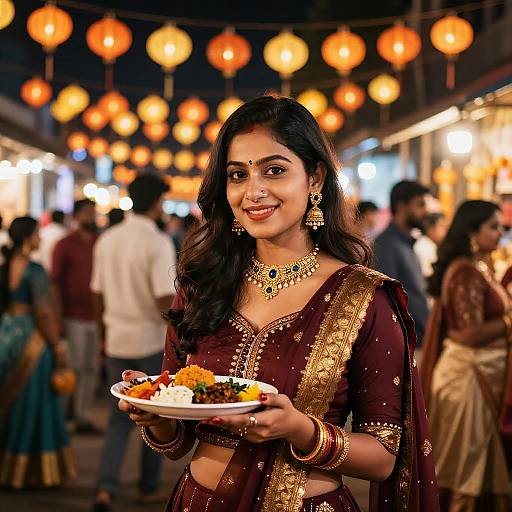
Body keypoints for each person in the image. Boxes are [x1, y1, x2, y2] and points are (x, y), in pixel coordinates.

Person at [118, 96, 439, 512]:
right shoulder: (203, 285)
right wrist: (155, 416)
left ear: (316, 178)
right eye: (237, 174)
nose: (254, 191)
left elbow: (383, 457)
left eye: (274, 170)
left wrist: (301, 430)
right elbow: (176, 443)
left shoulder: (364, 297)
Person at [91, 174, 177, 510]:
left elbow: (97, 293)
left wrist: (102, 334)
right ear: (157, 203)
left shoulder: (107, 239)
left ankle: (104, 487)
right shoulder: (156, 241)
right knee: (154, 415)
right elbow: (164, 297)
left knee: (117, 420)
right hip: (150, 341)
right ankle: (148, 486)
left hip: (116, 339)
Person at [420, 200, 512, 511]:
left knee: (483, 455)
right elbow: (466, 334)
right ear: (473, 231)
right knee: (465, 460)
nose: (501, 233)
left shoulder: (479, 267)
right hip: (467, 378)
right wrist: (509, 322)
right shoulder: (464, 272)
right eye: (494, 227)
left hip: (482, 374)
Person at [0, 217, 75, 488]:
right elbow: (44, 312)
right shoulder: (34, 270)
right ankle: (28, 474)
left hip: (5, 337)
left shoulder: (4, 266)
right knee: (33, 404)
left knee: (7, 403)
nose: (41, 239)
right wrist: (56, 346)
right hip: (31, 341)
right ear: (28, 237)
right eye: (37, 234)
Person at [52, 199, 99, 434]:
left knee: (90, 368)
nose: (91, 218)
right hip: (73, 316)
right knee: (74, 368)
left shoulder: (99, 242)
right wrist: (58, 318)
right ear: (77, 216)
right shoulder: (64, 244)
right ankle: (61, 418)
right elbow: (56, 285)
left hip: (95, 316)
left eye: (93, 213)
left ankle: (83, 416)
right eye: (87, 214)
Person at [373, 181, 430, 343]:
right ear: (401, 207)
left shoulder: (405, 243)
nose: (426, 212)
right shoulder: (387, 246)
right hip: (406, 343)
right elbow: (387, 301)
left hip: (417, 339)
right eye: (420, 205)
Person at [414, 213, 448, 278]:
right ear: (431, 229)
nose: (446, 231)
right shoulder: (425, 247)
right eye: (443, 226)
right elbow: (428, 276)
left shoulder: (429, 245)